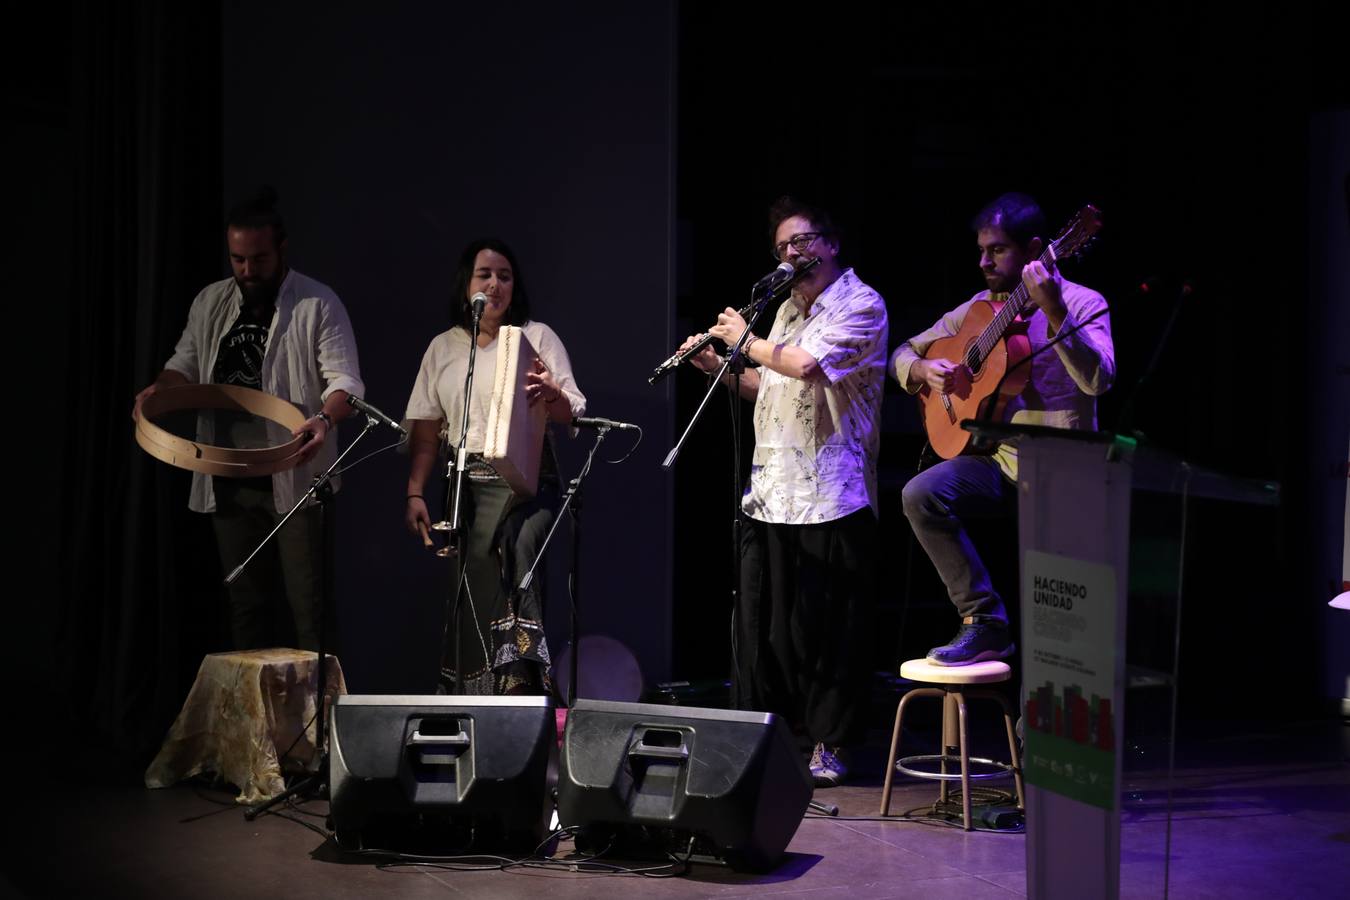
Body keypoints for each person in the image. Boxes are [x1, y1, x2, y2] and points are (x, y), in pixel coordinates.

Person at [679, 196, 888, 786]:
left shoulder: (861, 304)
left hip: (832, 494)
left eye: (804, 242)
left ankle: (833, 743)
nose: (793, 254)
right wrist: (719, 365)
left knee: (828, 632)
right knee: (767, 631)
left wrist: (746, 340)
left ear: (832, 243)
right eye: (783, 247)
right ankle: (767, 737)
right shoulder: (787, 312)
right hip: (773, 491)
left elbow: (806, 368)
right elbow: (768, 384)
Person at [132, 186, 364, 651]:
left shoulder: (316, 304)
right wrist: (160, 391)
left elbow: (347, 383)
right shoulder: (212, 301)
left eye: (257, 259)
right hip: (230, 478)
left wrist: (321, 419)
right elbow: (185, 365)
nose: (246, 270)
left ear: (280, 249)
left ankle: (318, 723)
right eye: (237, 259)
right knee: (246, 610)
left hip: (296, 478)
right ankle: (252, 722)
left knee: (309, 612)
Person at [892, 192, 1115, 665]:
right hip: (1000, 463)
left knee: (1062, 622)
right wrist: (923, 372)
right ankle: (984, 619)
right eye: (981, 250)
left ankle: (1045, 726)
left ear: (1035, 249)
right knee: (920, 493)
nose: (983, 261)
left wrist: (1055, 312)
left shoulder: (1082, 302)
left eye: (996, 250)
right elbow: (904, 352)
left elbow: (1099, 380)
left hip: (1063, 473)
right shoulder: (978, 309)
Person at [404, 238, 586, 695]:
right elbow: (427, 432)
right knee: (471, 599)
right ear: (467, 285)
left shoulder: (536, 337)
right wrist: (415, 491)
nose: (495, 284)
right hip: (466, 487)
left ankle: (522, 696)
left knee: (518, 551)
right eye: (485, 275)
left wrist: (552, 393)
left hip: (528, 483)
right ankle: (476, 709)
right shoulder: (445, 348)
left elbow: (574, 412)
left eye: (504, 276)